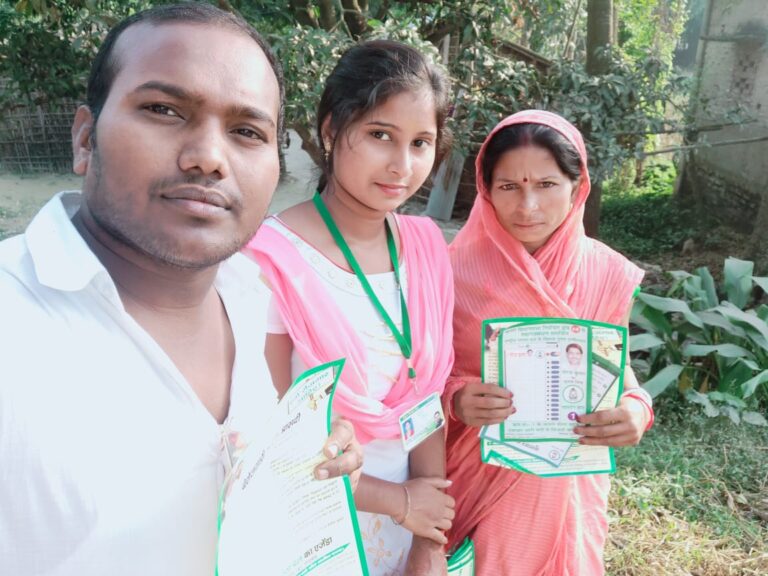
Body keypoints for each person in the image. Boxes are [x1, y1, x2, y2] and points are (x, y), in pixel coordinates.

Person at [0, 5, 363, 575]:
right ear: (85, 139)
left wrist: (298, 466)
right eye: (164, 110)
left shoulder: (248, 296)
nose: (209, 158)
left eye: (247, 131)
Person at [246, 40, 456, 575]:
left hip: (407, 530)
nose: (402, 166)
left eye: (421, 142)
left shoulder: (427, 248)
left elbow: (425, 401)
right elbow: (268, 434)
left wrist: (428, 540)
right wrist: (400, 502)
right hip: (310, 535)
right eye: (380, 135)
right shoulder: (270, 261)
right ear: (331, 130)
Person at [443, 110, 655, 575]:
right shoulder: (451, 272)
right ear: (485, 188)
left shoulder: (607, 272)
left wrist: (637, 408)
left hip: (572, 482)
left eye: (546, 185)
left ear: (578, 188)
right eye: (509, 187)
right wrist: (457, 396)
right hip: (481, 477)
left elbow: (616, 369)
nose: (527, 207)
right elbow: (422, 374)